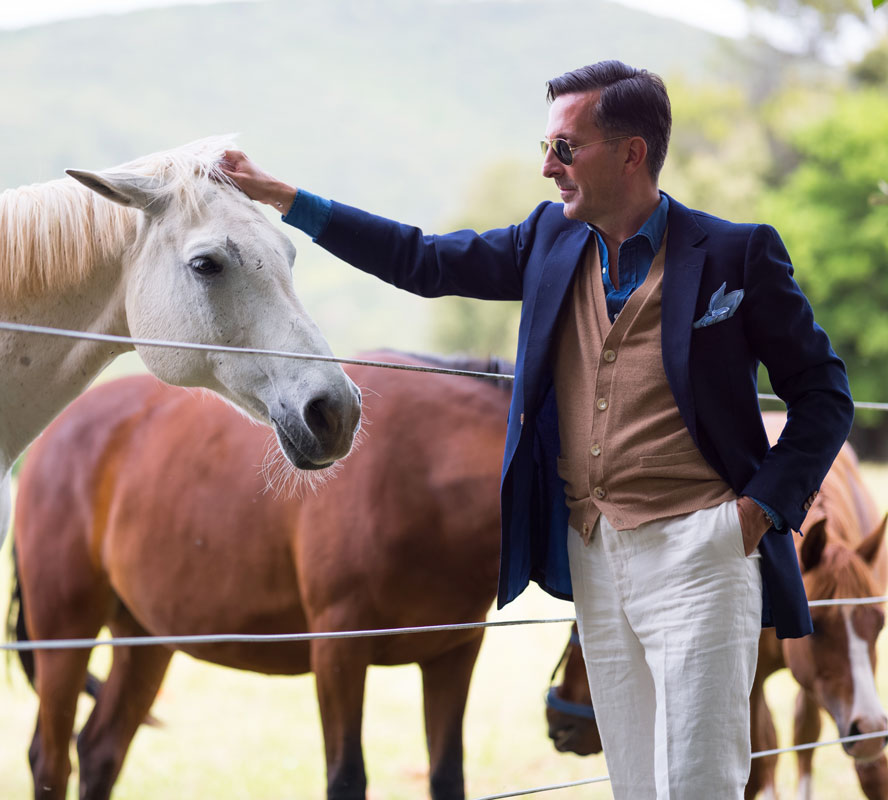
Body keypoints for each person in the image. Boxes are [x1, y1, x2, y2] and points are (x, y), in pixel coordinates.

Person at [220, 59, 854, 799]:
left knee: (698, 784)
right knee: (638, 784)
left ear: (631, 152)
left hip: (705, 552)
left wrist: (758, 512)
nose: (548, 166)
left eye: (564, 147)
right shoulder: (547, 241)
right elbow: (422, 260)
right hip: (595, 556)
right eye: (546, 146)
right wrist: (283, 198)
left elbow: (824, 392)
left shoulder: (737, 254)